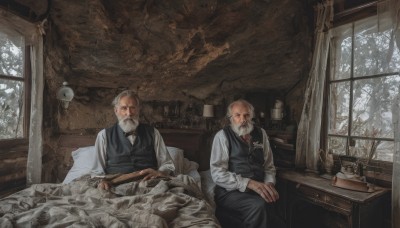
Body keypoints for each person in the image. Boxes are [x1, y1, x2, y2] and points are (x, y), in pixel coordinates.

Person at [210, 99, 283, 228]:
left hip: (258, 188)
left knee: (277, 202)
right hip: (230, 192)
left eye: (246, 115)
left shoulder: (261, 134)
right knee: (258, 206)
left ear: (252, 116)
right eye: (238, 115)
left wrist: (269, 185)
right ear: (231, 118)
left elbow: (269, 166)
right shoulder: (222, 136)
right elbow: (217, 174)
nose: (243, 119)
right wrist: (249, 183)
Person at [92, 90, 175, 190]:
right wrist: (102, 181)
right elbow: (97, 171)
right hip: (115, 185)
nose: (129, 113)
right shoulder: (104, 136)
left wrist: (158, 173)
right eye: (124, 108)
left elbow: (167, 164)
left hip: (149, 185)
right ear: (116, 111)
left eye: (132, 108)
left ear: (138, 110)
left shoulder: (153, 133)